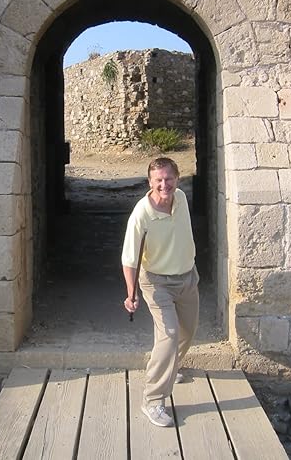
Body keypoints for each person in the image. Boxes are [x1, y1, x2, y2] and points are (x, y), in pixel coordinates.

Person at [121, 157, 199, 427]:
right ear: (150, 182)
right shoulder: (141, 214)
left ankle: (169, 368)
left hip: (188, 277)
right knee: (169, 334)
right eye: (158, 180)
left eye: (169, 178)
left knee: (188, 331)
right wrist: (131, 293)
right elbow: (129, 259)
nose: (164, 185)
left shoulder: (181, 198)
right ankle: (153, 399)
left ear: (177, 178)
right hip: (157, 282)